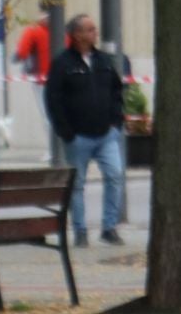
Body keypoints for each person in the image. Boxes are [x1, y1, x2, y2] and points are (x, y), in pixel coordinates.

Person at [44, 13, 127, 247]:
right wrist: (65, 131)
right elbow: (53, 99)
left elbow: (116, 91)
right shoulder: (63, 64)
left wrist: (116, 122)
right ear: (77, 34)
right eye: (90, 29)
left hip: (106, 134)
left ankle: (109, 227)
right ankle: (80, 230)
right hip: (78, 137)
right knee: (77, 184)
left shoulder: (103, 61)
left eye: (94, 29)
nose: (95, 33)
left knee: (114, 175)